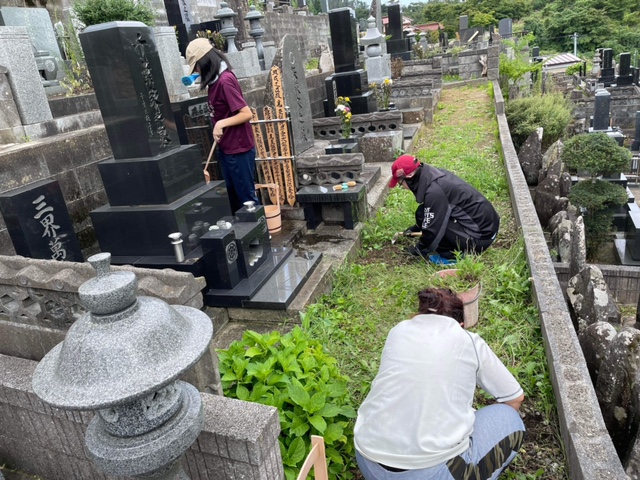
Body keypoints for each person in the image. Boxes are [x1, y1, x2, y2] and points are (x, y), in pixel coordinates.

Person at [354, 288, 525, 480]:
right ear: (461, 325)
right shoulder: (468, 340)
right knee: (510, 418)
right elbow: (515, 398)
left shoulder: (399, 330)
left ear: (419, 315)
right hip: (432, 471)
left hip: (368, 460)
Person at [185, 38, 260, 214]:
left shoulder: (225, 81)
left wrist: (220, 123)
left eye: (196, 66)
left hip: (239, 149)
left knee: (246, 198)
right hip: (227, 148)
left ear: (204, 61)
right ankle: (243, 236)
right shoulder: (215, 82)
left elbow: (246, 113)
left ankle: (259, 236)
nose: (196, 71)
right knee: (233, 198)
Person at [389, 155, 500, 264]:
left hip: (481, 239)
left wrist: (418, 250)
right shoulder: (433, 174)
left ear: (410, 176)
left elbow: (432, 231)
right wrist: (417, 228)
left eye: (400, 183)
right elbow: (430, 211)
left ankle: (451, 256)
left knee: (434, 225)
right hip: (488, 227)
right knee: (422, 213)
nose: (403, 186)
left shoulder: (434, 192)